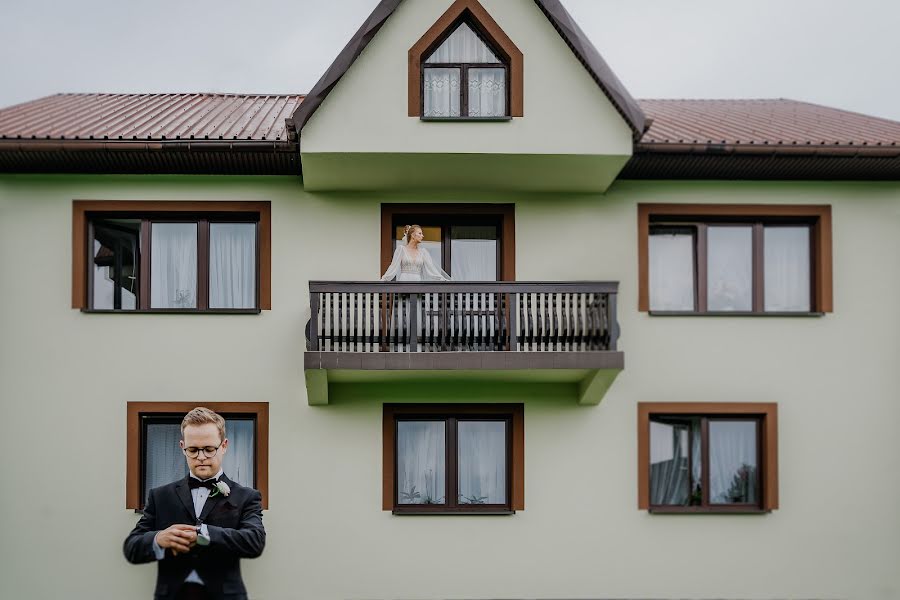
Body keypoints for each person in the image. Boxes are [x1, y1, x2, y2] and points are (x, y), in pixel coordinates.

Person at [124, 407, 265, 600]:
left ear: (224, 446)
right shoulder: (160, 496)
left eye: (209, 449)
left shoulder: (247, 497)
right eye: (193, 450)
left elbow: (254, 542)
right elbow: (131, 547)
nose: (201, 457)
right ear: (182, 447)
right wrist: (158, 539)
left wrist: (203, 534)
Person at [381, 224, 451, 281]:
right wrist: (383, 279)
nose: (422, 236)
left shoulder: (423, 252)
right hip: (403, 283)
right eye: (420, 233)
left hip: (418, 284)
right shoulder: (401, 249)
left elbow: (431, 269)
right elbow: (393, 267)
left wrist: (442, 279)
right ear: (413, 235)